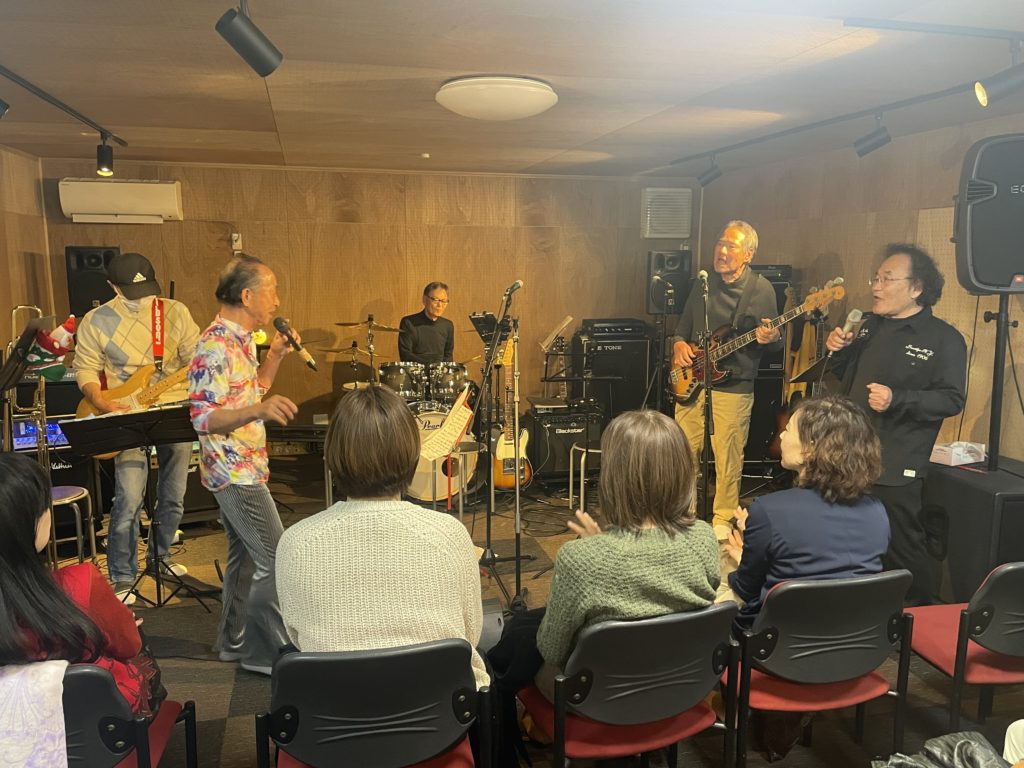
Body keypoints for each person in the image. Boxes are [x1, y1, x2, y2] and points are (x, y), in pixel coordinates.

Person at [276, 384, 487, 687]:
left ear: (332, 454)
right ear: (412, 453)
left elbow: (297, 637)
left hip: (335, 709)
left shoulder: (296, 542)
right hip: (442, 707)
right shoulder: (450, 534)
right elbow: (470, 633)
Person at [534, 409, 720, 697]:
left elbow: (551, 649)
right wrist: (601, 545)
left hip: (597, 700)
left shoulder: (580, 559)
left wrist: (595, 550)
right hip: (682, 690)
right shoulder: (704, 538)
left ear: (613, 476)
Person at [825, 244, 966, 606]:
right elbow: (842, 377)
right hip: (850, 454)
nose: (876, 286)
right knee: (849, 541)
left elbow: (952, 399)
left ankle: (922, 616)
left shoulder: (944, 339)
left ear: (916, 287)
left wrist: (897, 398)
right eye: (876, 278)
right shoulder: (869, 327)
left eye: (887, 279)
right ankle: (859, 611)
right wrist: (838, 350)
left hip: (897, 461)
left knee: (901, 546)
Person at [188, 253, 299, 675]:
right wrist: (258, 411)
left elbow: (249, 393)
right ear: (248, 295)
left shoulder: (241, 340)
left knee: (247, 558)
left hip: (247, 465)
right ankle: (263, 652)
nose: (277, 300)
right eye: (272, 290)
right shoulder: (214, 345)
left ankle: (232, 642)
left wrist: (275, 357)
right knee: (276, 556)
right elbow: (203, 418)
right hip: (232, 470)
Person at [73, 251, 200, 604]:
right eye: (131, 292)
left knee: (173, 493)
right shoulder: (96, 320)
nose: (142, 299)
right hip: (124, 412)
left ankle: (161, 558)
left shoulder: (175, 312)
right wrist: (99, 400)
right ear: (112, 286)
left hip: (173, 407)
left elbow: (196, 359)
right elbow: (85, 367)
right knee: (128, 497)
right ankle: (122, 575)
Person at [0, 452, 158, 715]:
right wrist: (122, 622)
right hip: (97, 725)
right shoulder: (81, 581)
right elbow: (129, 645)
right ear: (30, 521)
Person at [725, 395, 891, 630]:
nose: (781, 436)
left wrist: (746, 556)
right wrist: (761, 533)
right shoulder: (877, 511)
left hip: (778, 643)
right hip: (858, 639)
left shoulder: (768, 510)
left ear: (809, 449)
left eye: (788, 429)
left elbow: (746, 588)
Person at [671, 220, 782, 540]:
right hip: (692, 383)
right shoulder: (702, 284)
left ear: (748, 254)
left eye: (731, 246)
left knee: (728, 457)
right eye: (720, 243)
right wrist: (678, 345)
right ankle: (684, 514)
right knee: (682, 453)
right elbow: (682, 329)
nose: (721, 250)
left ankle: (722, 518)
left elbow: (775, 342)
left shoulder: (760, 289)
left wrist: (772, 337)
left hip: (735, 385)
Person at [398, 281, 455, 364]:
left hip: (440, 371)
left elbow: (448, 356)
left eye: (444, 301)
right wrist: (430, 366)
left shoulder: (448, 325)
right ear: (424, 300)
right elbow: (405, 355)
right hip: (416, 370)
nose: (440, 305)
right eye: (435, 300)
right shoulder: (408, 323)